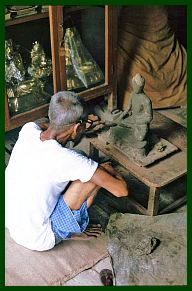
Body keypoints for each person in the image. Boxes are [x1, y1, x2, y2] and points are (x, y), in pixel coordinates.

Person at [5, 91, 128, 251]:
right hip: (39, 237)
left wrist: (82, 125)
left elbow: (43, 123)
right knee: (94, 173)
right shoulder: (66, 159)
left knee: (83, 161)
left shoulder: (28, 130)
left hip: (11, 220)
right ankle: (70, 231)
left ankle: (68, 217)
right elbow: (121, 191)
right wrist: (108, 169)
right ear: (77, 128)